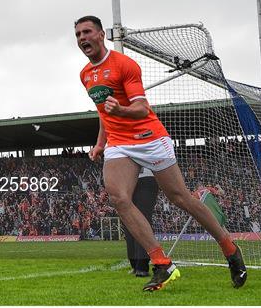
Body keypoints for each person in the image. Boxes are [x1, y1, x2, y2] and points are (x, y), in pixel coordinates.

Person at [74, 15, 246, 291]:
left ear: (101, 34)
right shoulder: (85, 74)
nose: (82, 38)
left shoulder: (124, 65)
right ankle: (162, 263)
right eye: (78, 35)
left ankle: (229, 247)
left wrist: (120, 110)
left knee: (181, 198)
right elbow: (103, 113)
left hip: (148, 138)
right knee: (119, 198)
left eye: (87, 32)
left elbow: (142, 109)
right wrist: (100, 143)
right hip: (119, 143)